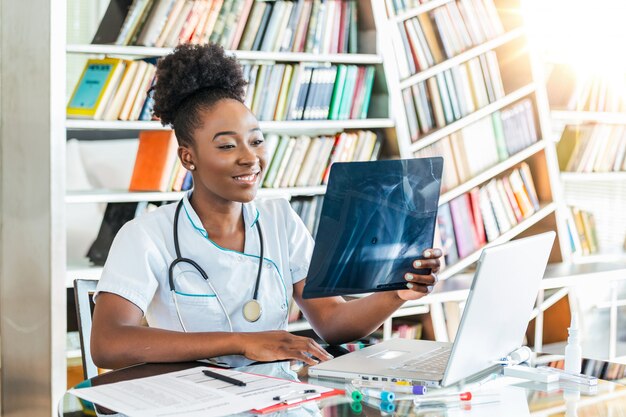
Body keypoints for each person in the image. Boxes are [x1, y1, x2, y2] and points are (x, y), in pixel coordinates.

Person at [91, 43, 442, 370]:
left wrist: (397, 292)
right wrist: (242, 342)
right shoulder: (146, 235)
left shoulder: (280, 219)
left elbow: (333, 323)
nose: (250, 158)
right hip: (197, 402)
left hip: (276, 398)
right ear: (188, 157)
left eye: (256, 141)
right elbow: (108, 342)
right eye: (227, 146)